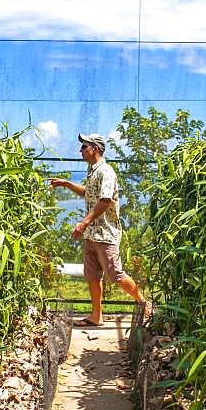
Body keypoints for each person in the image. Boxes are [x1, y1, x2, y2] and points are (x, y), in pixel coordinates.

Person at [48, 133, 146, 327]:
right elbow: (88, 193)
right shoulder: (93, 171)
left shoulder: (106, 172)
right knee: (92, 276)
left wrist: (84, 222)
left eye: (84, 146)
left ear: (96, 149)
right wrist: (66, 183)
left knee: (115, 275)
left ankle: (143, 303)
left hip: (105, 234)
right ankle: (96, 316)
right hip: (91, 234)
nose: (81, 150)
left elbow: (105, 200)